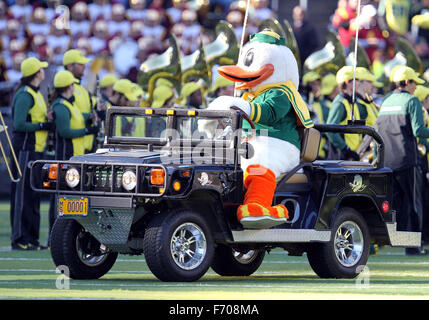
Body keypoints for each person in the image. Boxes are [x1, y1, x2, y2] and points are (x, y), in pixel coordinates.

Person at [375, 66, 429, 255]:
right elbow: (418, 131)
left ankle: (389, 241)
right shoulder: (412, 101)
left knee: (393, 204)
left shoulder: (387, 100)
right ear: (407, 82)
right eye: (414, 83)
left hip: (387, 160)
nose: (416, 88)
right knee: (414, 204)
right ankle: (414, 246)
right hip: (407, 159)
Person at [48, 70, 99, 236]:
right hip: (65, 153)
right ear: (69, 86)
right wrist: (87, 130)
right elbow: (65, 132)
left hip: (73, 154)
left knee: (70, 195)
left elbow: (79, 115)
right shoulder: (61, 106)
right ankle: (56, 232)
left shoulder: (69, 104)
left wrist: (93, 116)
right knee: (61, 195)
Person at [10, 57, 53, 250]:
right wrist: (43, 125)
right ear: (36, 73)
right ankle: (20, 238)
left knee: (33, 195)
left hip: (36, 150)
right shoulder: (25, 94)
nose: (44, 71)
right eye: (41, 69)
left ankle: (32, 239)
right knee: (22, 196)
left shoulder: (36, 93)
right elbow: (18, 124)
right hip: (25, 150)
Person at [325, 66, 367, 160]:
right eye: (357, 80)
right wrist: (346, 150)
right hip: (341, 159)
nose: (360, 84)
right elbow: (330, 129)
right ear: (348, 82)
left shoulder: (352, 102)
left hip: (352, 157)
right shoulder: (340, 103)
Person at [63, 49, 97, 154]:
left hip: (85, 145)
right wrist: (89, 116)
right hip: (70, 146)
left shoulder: (83, 89)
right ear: (69, 66)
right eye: (81, 64)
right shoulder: (65, 88)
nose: (84, 66)